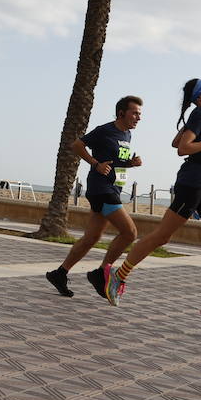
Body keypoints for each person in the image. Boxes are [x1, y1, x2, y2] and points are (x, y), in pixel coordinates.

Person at [108, 79, 201, 333]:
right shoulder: (200, 117)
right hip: (192, 185)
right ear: (200, 96)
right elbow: (182, 149)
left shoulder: (200, 117)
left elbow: (176, 142)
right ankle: (119, 275)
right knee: (162, 236)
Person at [45, 95, 143, 299]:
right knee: (130, 232)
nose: (138, 117)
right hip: (101, 189)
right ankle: (100, 273)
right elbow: (77, 145)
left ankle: (59, 273)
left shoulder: (127, 136)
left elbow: (115, 161)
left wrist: (130, 164)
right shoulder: (105, 130)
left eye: (139, 114)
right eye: (134, 113)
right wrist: (95, 163)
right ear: (121, 113)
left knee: (92, 237)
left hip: (112, 189)